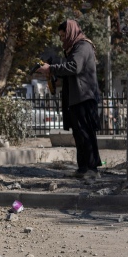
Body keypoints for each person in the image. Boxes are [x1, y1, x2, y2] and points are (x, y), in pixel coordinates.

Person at [37, 20, 101, 179]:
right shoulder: (75, 48)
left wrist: (51, 68)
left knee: (86, 134)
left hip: (84, 97)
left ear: (71, 32)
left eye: (63, 34)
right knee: (79, 134)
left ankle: (93, 169)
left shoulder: (83, 46)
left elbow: (74, 66)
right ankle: (83, 168)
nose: (62, 38)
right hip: (77, 97)